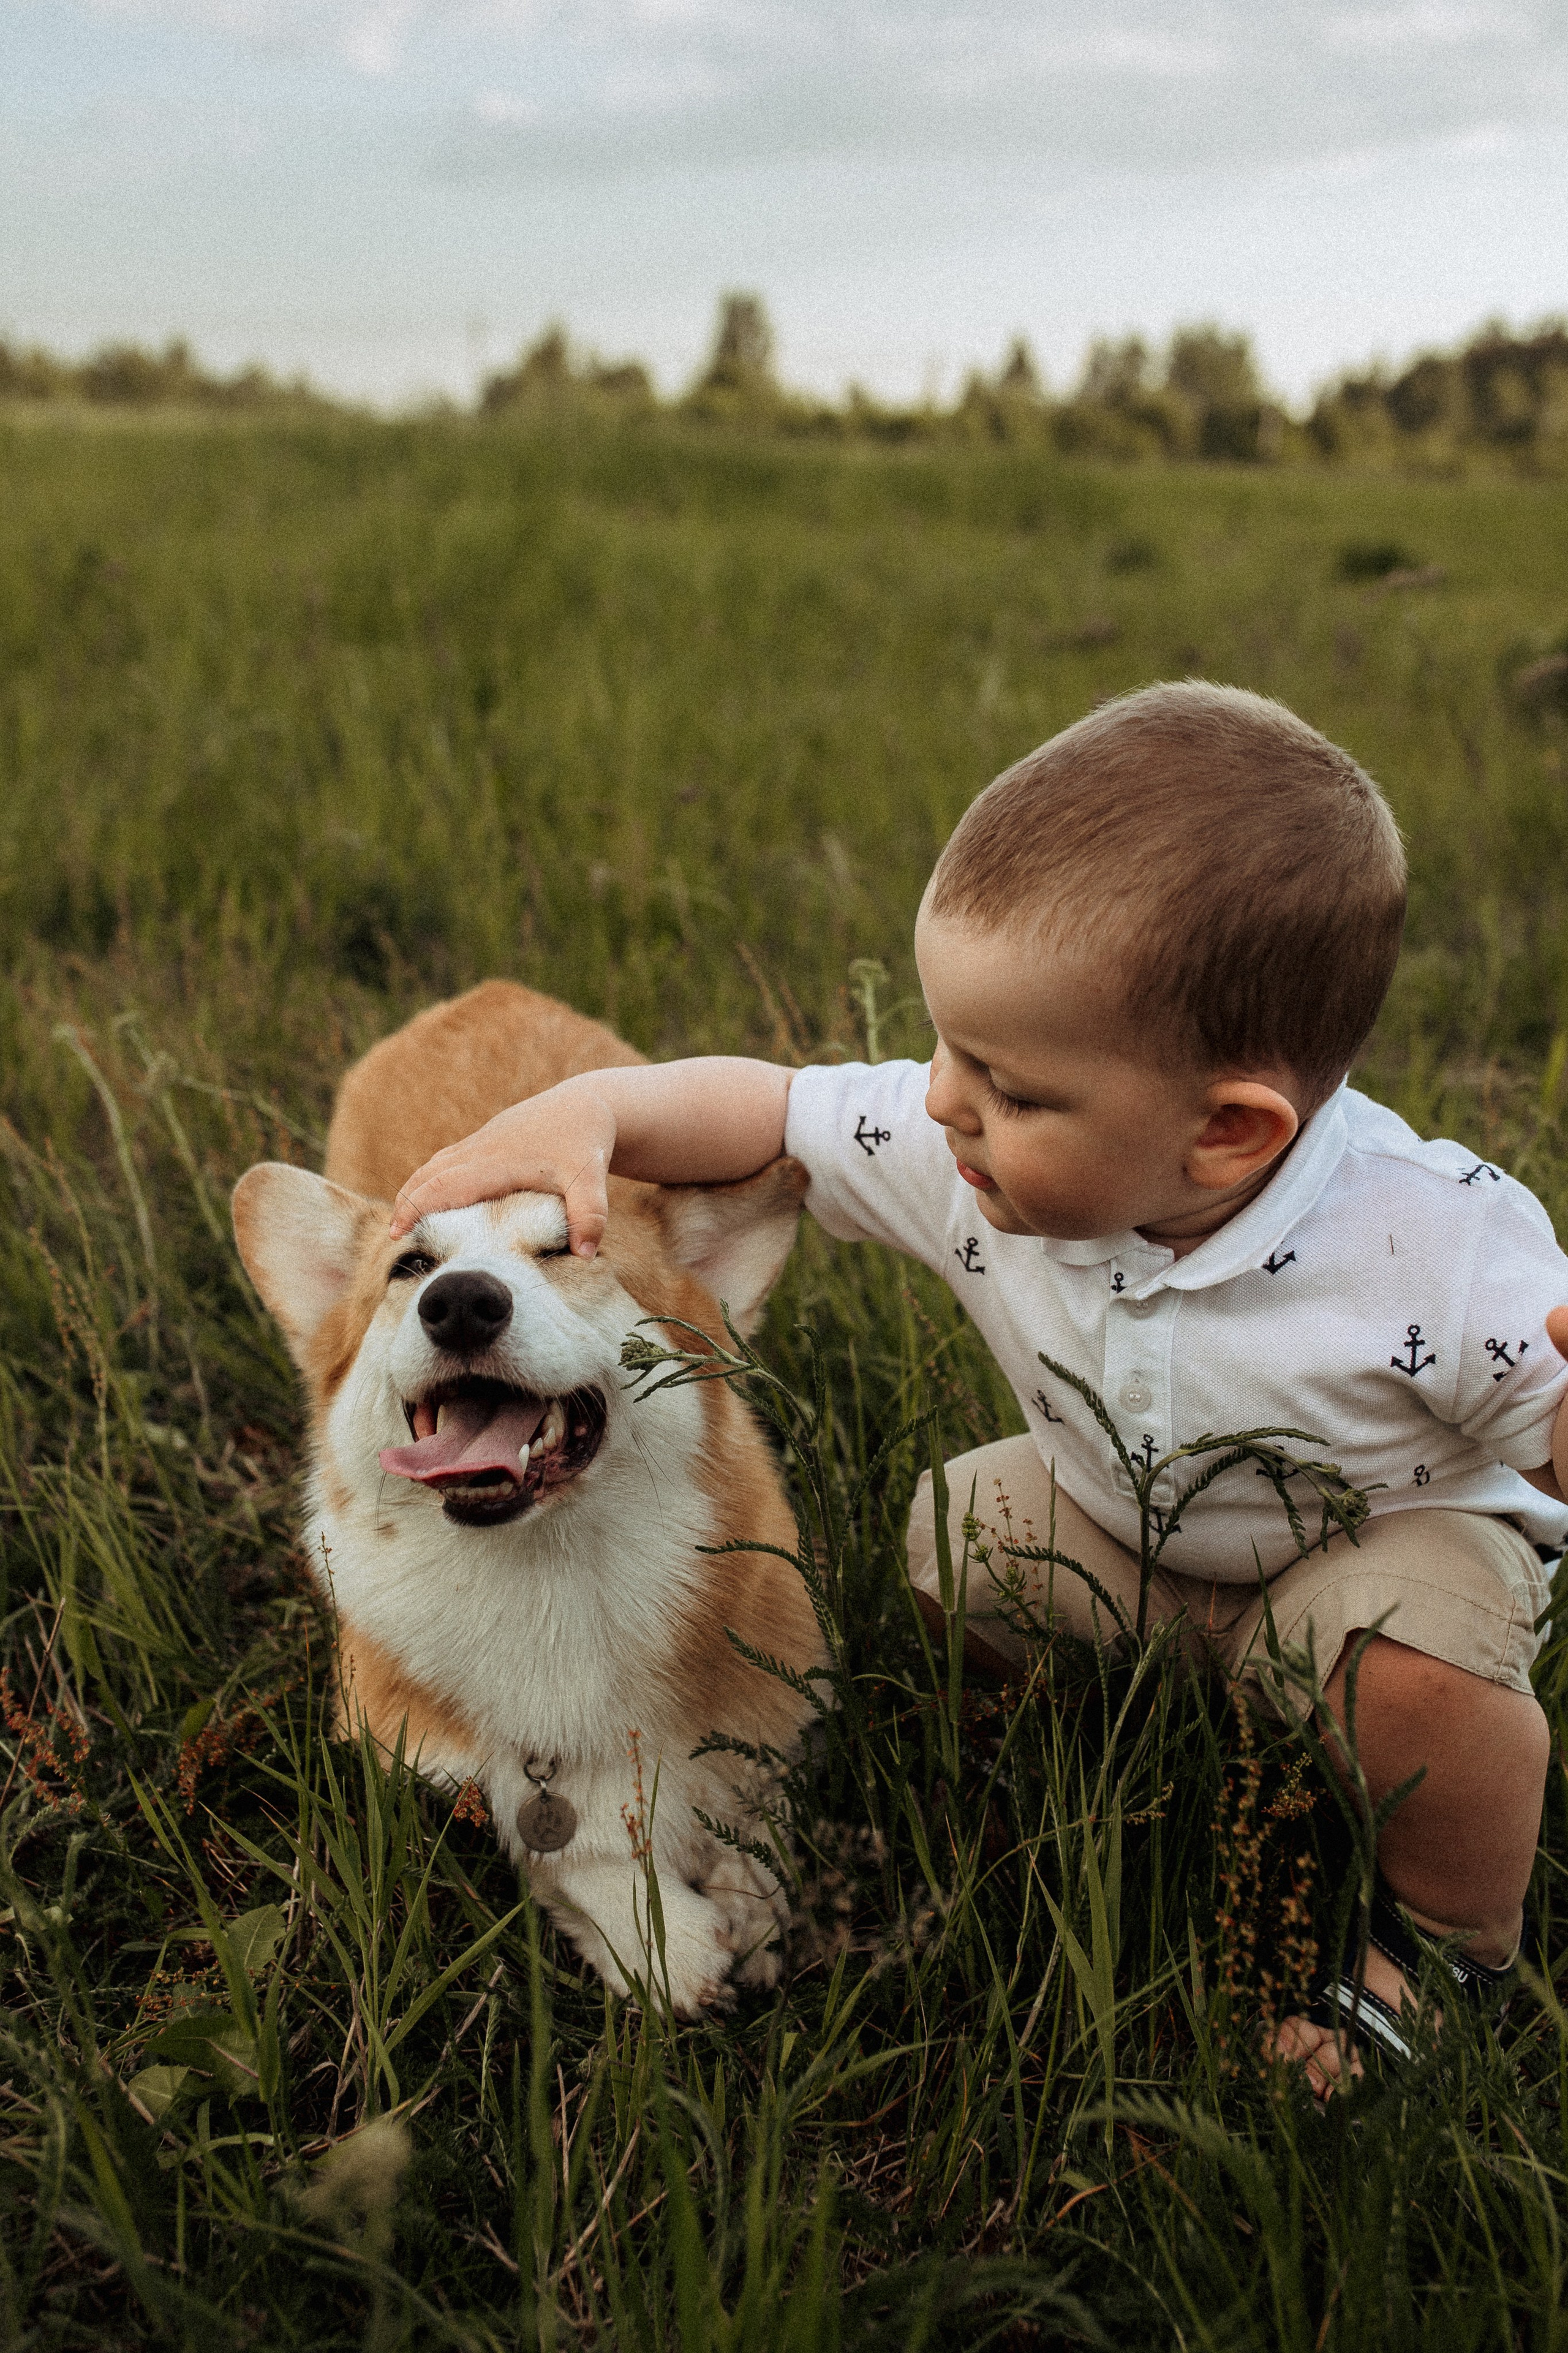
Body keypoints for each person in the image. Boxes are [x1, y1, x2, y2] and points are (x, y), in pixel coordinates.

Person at [386, 681, 1566, 2095]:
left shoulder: (1436, 1246)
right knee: (955, 1533)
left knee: (1399, 1671)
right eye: (944, 1048)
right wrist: (595, 1112)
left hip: (1373, 1547)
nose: (941, 1100)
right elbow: (769, 1108)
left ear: (1223, 1134)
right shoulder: (968, 1145)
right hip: (1131, 1530)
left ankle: (1440, 1942)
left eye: (1005, 1084)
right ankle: (1038, 1756)